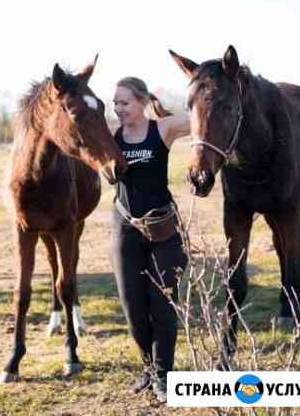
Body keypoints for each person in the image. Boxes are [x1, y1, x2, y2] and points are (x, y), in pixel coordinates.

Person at [110, 77, 190, 403]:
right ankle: (148, 367)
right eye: (115, 103)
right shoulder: (112, 136)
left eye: (124, 102)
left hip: (163, 230)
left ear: (141, 101)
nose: (118, 109)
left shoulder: (162, 130)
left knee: (163, 305)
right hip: (125, 229)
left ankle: (164, 376)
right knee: (133, 308)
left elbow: (202, 115)